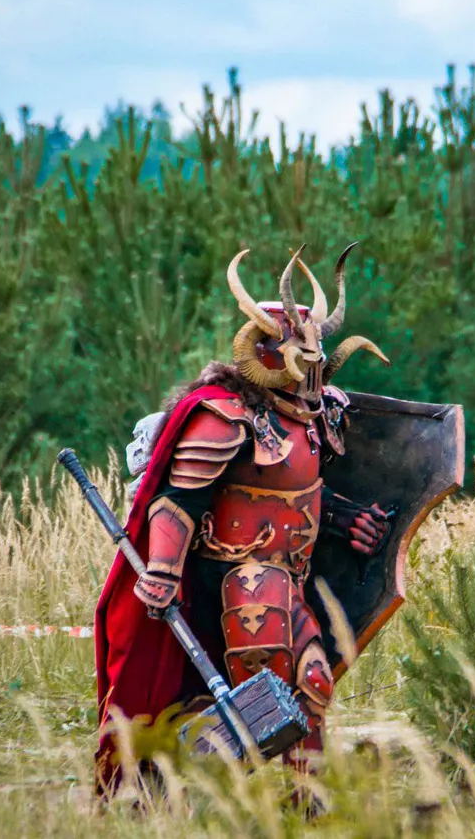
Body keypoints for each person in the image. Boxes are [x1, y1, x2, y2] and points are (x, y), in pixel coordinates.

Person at [94, 244, 391, 791]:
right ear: (268, 350)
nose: (313, 362)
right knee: (262, 698)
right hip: (237, 581)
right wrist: (161, 570)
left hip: (288, 579)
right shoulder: (224, 417)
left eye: (316, 348)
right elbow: (178, 500)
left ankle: (307, 803)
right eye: (300, 348)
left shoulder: (317, 414)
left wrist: (344, 521)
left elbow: (295, 492)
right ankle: (194, 787)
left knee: (313, 682)